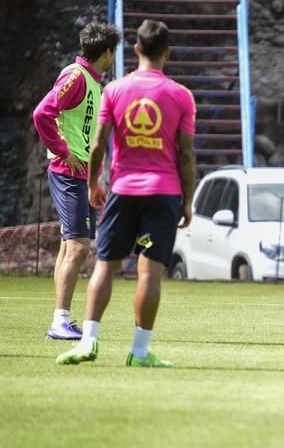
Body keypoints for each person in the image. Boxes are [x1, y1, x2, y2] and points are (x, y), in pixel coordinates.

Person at [56, 19, 196, 367]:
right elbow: (187, 153)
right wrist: (188, 200)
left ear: (136, 50)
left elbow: (99, 145)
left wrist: (92, 183)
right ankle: (139, 352)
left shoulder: (115, 90)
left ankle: (88, 343)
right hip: (162, 195)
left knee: (105, 266)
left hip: (122, 192)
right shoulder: (181, 95)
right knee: (149, 273)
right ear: (167, 53)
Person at [33, 22, 121, 340]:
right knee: (80, 248)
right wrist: (62, 150)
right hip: (67, 172)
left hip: (80, 176)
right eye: (114, 52)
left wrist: (93, 180)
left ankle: (60, 317)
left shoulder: (94, 83)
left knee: (69, 246)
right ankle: (60, 321)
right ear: (107, 52)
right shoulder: (76, 76)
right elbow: (42, 113)